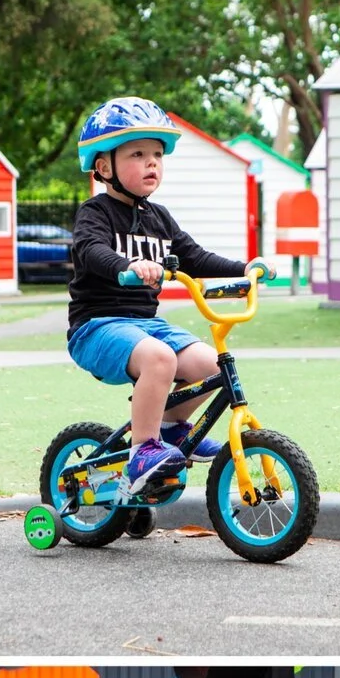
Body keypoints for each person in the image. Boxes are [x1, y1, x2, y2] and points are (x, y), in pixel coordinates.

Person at [67, 96, 269, 497]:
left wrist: (243, 268)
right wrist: (127, 265)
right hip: (97, 327)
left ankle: (172, 428)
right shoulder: (96, 212)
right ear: (104, 166)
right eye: (137, 154)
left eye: (157, 154)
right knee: (160, 358)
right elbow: (92, 250)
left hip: (147, 325)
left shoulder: (159, 218)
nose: (151, 163)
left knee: (211, 365)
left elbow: (193, 257)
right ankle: (143, 449)